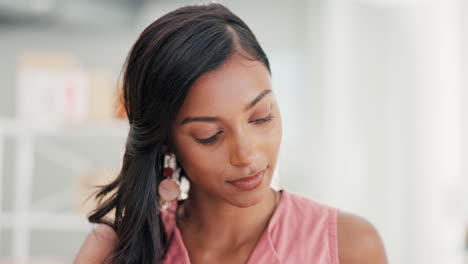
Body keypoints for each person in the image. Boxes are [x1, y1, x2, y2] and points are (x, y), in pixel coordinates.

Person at [74, 3, 388, 264]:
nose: (246, 154)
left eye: (261, 117)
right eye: (210, 135)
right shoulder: (111, 251)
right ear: (166, 140)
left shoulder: (350, 246)